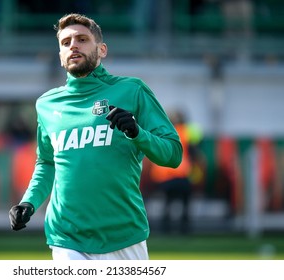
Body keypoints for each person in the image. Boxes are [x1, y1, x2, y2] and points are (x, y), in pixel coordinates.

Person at [9, 13, 182, 260]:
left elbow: (174, 155)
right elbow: (47, 162)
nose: (73, 46)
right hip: (67, 236)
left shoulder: (132, 90)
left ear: (101, 50)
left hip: (124, 235)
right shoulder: (46, 104)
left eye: (82, 39)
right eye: (66, 42)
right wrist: (28, 202)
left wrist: (137, 133)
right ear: (60, 56)